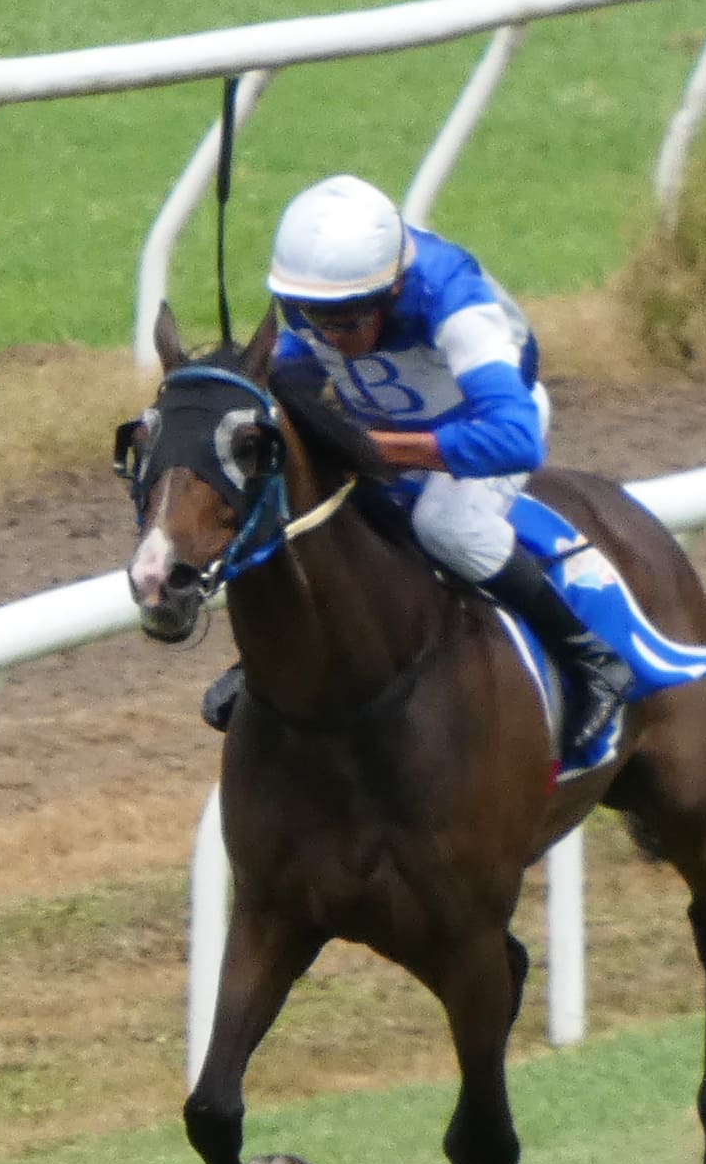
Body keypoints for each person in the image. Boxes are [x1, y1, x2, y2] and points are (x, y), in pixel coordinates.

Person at [256, 171, 669, 770]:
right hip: (386, 424)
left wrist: (382, 451)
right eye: (313, 315)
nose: (330, 334)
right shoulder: (312, 297)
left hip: (478, 428)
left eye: (347, 319)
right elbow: (293, 374)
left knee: (446, 525)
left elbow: (516, 438)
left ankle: (590, 657)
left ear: (393, 289)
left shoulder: (453, 297)